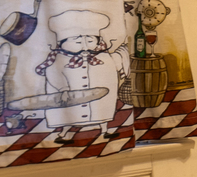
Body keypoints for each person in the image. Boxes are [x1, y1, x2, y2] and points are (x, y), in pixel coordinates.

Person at [34, 9, 129, 144]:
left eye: (90, 41)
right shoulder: (60, 58)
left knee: (101, 112)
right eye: (78, 43)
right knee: (69, 115)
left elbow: (112, 68)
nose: (85, 46)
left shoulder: (102, 56)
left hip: (98, 98)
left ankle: (104, 131)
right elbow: (53, 74)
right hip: (69, 96)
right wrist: (63, 88)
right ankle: (64, 134)